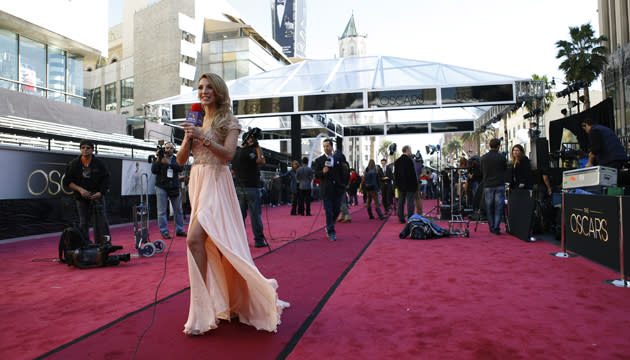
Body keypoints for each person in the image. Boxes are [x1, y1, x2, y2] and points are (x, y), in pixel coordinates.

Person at [178, 73, 288, 336]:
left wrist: (204, 138)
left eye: (209, 88)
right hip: (197, 180)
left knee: (195, 240)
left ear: (218, 91)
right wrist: (187, 138)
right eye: (200, 88)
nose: (204, 92)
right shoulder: (194, 118)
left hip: (217, 181)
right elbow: (182, 160)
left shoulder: (229, 120)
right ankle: (220, 301)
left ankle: (203, 308)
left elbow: (228, 155)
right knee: (211, 243)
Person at [231, 128, 267, 248]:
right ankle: (259, 240)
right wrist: (257, 147)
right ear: (251, 140)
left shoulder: (236, 152)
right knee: (255, 215)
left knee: (240, 217)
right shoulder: (250, 152)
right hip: (252, 188)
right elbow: (261, 161)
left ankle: (241, 241)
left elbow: (233, 172)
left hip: (239, 188)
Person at [313, 138, 348, 241]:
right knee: (329, 211)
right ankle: (331, 231)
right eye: (324, 146)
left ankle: (329, 226)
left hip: (338, 189)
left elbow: (344, 171)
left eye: (327, 146)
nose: (326, 148)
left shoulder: (338, 158)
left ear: (332, 147)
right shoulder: (319, 160)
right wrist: (322, 172)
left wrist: (344, 184)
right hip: (326, 190)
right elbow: (316, 175)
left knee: (336, 210)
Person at [151, 142, 186, 239]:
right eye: (167, 148)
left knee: (178, 210)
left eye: (171, 148)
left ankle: (180, 230)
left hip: (174, 186)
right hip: (161, 186)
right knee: (162, 211)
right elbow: (153, 170)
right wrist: (158, 159)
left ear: (173, 149)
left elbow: (180, 168)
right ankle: (164, 232)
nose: (168, 150)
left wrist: (169, 163)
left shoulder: (177, 158)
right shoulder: (159, 158)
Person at [481, 138, 507, 235]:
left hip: (488, 185)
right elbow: (505, 170)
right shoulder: (502, 157)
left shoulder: (484, 158)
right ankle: (496, 227)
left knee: (489, 207)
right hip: (499, 184)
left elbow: (482, 171)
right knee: (499, 207)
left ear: (489, 146)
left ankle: (491, 226)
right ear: (498, 146)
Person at [394, 145, 418, 224]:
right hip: (410, 185)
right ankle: (410, 218)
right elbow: (412, 174)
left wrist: (397, 184)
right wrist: (416, 185)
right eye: (410, 150)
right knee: (410, 202)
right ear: (407, 150)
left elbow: (396, 175)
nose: (411, 151)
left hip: (401, 185)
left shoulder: (397, 161)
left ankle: (401, 218)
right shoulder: (409, 160)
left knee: (401, 201)